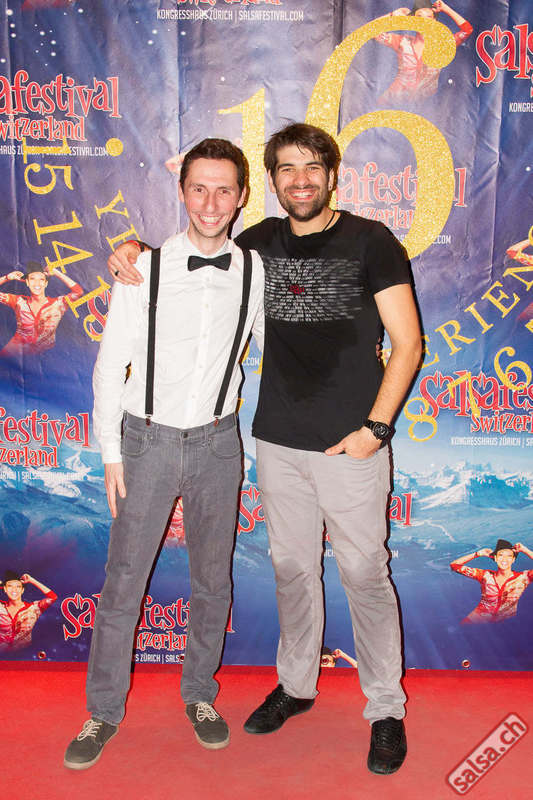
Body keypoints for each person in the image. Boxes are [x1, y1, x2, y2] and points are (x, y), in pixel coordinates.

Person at [108, 122, 422, 775]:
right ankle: (297, 686)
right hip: (277, 442)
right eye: (287, 169)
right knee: (292, 572)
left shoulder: (372, 241)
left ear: (332, 175)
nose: (300, 180)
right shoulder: (256, 244)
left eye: (312, 168)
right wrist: (132, 249)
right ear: (270, 181)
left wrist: (375, 429)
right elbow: (191, 251)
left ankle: (385, 708)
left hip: (352, 446)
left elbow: (408, 343)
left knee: (364, 574)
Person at [64, 138, 264, 770]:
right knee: (123, 581)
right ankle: (103, 711)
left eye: (224, 189)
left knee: (213, 580)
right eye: (198, 187)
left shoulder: (256, 272)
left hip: (218, 443)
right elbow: (108, 367)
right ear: (181, 192)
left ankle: (200, 694)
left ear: (241, 196)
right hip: (145, 442)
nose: (210, 202)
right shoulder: (141, 268)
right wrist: (110, 452)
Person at [375, 1, 473, 105]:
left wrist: (445, 9)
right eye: (419, 17)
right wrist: (392, 15)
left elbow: (467, 30)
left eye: (429, 17)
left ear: (434, 21)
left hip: (423, 107)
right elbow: (372, 31)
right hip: (391, 102)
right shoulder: (402, 42)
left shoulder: (442, 46)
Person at [0, 262, 83, 357]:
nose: (37, 283)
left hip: (44, 357)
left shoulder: (58, 304)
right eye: (32, 279)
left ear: (46, 283)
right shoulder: (19, 301)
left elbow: (78, 292)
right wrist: (7, 278)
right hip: (16, 355)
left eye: (41, 279)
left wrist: (57, 273)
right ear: (27, 282)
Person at [450, 540, 533, 623]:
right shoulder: (484, 575)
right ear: (495, 558)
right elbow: (454, 565)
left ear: (513, 559)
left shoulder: (523, 577)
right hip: (478, 618)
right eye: (501, 555)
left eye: (509, 556)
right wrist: (478, 554)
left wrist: (525, 550)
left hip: (506, 621)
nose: (504, 559)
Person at [0, 570, 57, 651]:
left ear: (22, 590)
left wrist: (31, 580)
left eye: (18, 586)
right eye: (10, 586)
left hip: (24, 653)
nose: (14, 590)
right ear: (4, 589)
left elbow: (53, 597)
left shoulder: (33, 608)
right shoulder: (1, 607)